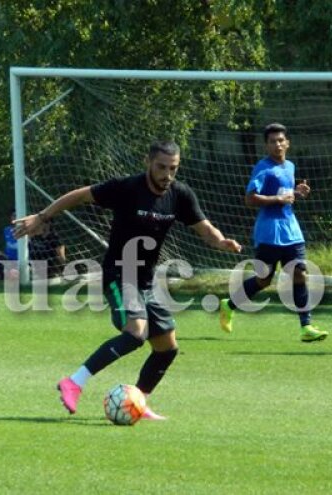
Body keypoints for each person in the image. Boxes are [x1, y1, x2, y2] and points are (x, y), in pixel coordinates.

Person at [15, 140, 243, 419]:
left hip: (146, 281)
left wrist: (221, 242)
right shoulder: (126, 188)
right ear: (148, 162)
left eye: (173, 168)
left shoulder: (180, 195)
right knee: (136, 334)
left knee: (167, 347)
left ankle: (139, 402)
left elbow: (204, 228)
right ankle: (74, 382)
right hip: (119, 274)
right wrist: (43, 216)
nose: (167, 175)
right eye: (161, 167)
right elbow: (79, 196)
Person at [219, 123, 328, 342]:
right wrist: (277, 199)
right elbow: (250, 198)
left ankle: (306, 327)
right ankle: (229, 304)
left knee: (299, 273)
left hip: (291, 231)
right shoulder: (263, 168)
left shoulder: (290, 166)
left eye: (281, 140)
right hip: (269, 232)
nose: (277, 144)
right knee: (263, 280)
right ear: (266, 145)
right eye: (272, 141)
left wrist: (297, 192)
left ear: (287, 143)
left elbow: (285, 194)